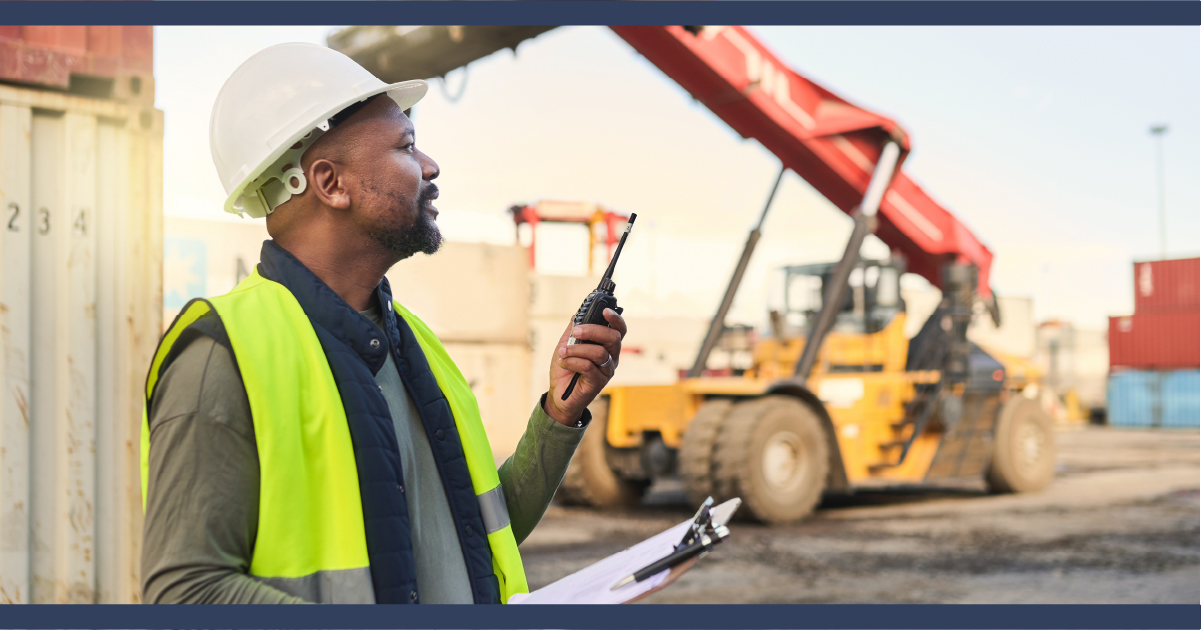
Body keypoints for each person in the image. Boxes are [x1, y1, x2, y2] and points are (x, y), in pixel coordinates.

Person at [140, 43, 626, 605]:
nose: (430, 166)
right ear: (331, 183)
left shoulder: (413, 343)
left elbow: (475, 536)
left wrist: (559, 414)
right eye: (406, 146)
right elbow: (184, 590)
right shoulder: (222, 353)